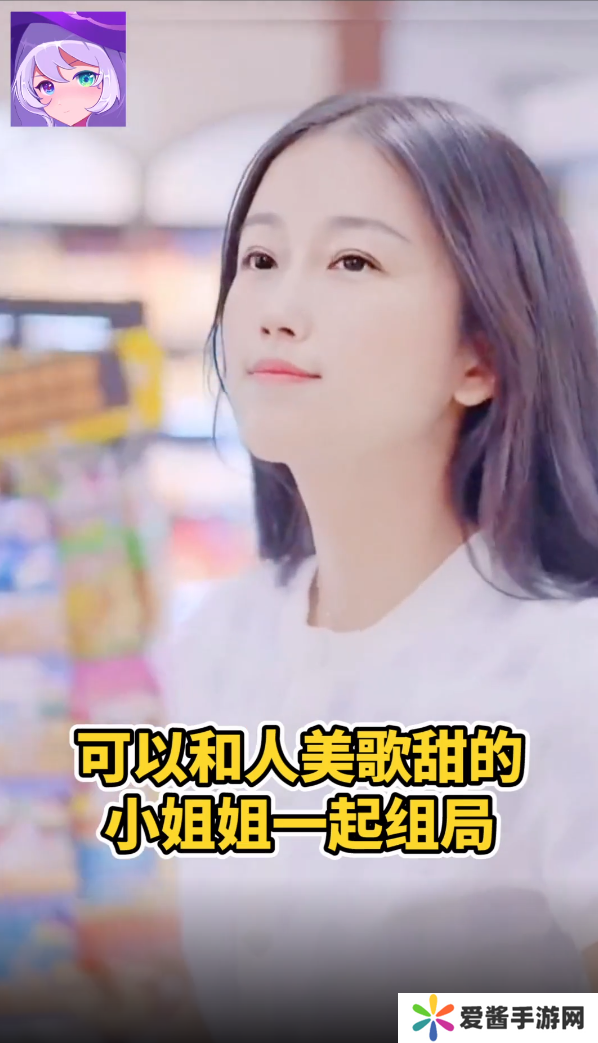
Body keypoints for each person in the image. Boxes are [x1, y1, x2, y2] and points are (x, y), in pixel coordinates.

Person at [164, 92, 598, 1042]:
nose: (278, 309)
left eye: (353, 262)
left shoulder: (568, 667)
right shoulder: (218, 640)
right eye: (260, 260)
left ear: (481, 354)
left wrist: (420, 1017)